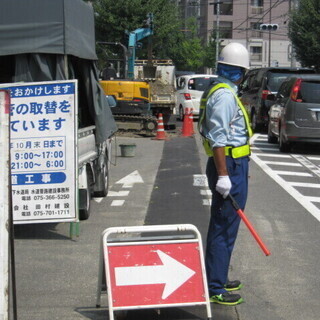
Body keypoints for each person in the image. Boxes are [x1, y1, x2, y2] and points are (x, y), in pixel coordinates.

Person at [198, 42, 253, 306]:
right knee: (223, 224)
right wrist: (223, 175)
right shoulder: (224, 96)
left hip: (235, 164)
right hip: (229, 165)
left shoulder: (221, 91)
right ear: (239, 72)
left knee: (229, 224)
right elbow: (219, 139)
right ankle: (215, 287)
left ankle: (218, 274)